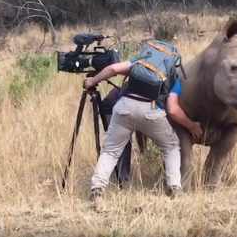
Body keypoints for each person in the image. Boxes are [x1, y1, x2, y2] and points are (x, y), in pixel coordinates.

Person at [83, 57, 203, 202]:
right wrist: (191, 126)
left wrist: (93, 80)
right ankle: (174, 188)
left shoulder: (140, 62)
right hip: (151, 112)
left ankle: (97, 189)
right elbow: (172, 110)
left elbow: (113, 69)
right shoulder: (171, 76)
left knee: (110, 151)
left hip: (124, 107)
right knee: (171, 147)